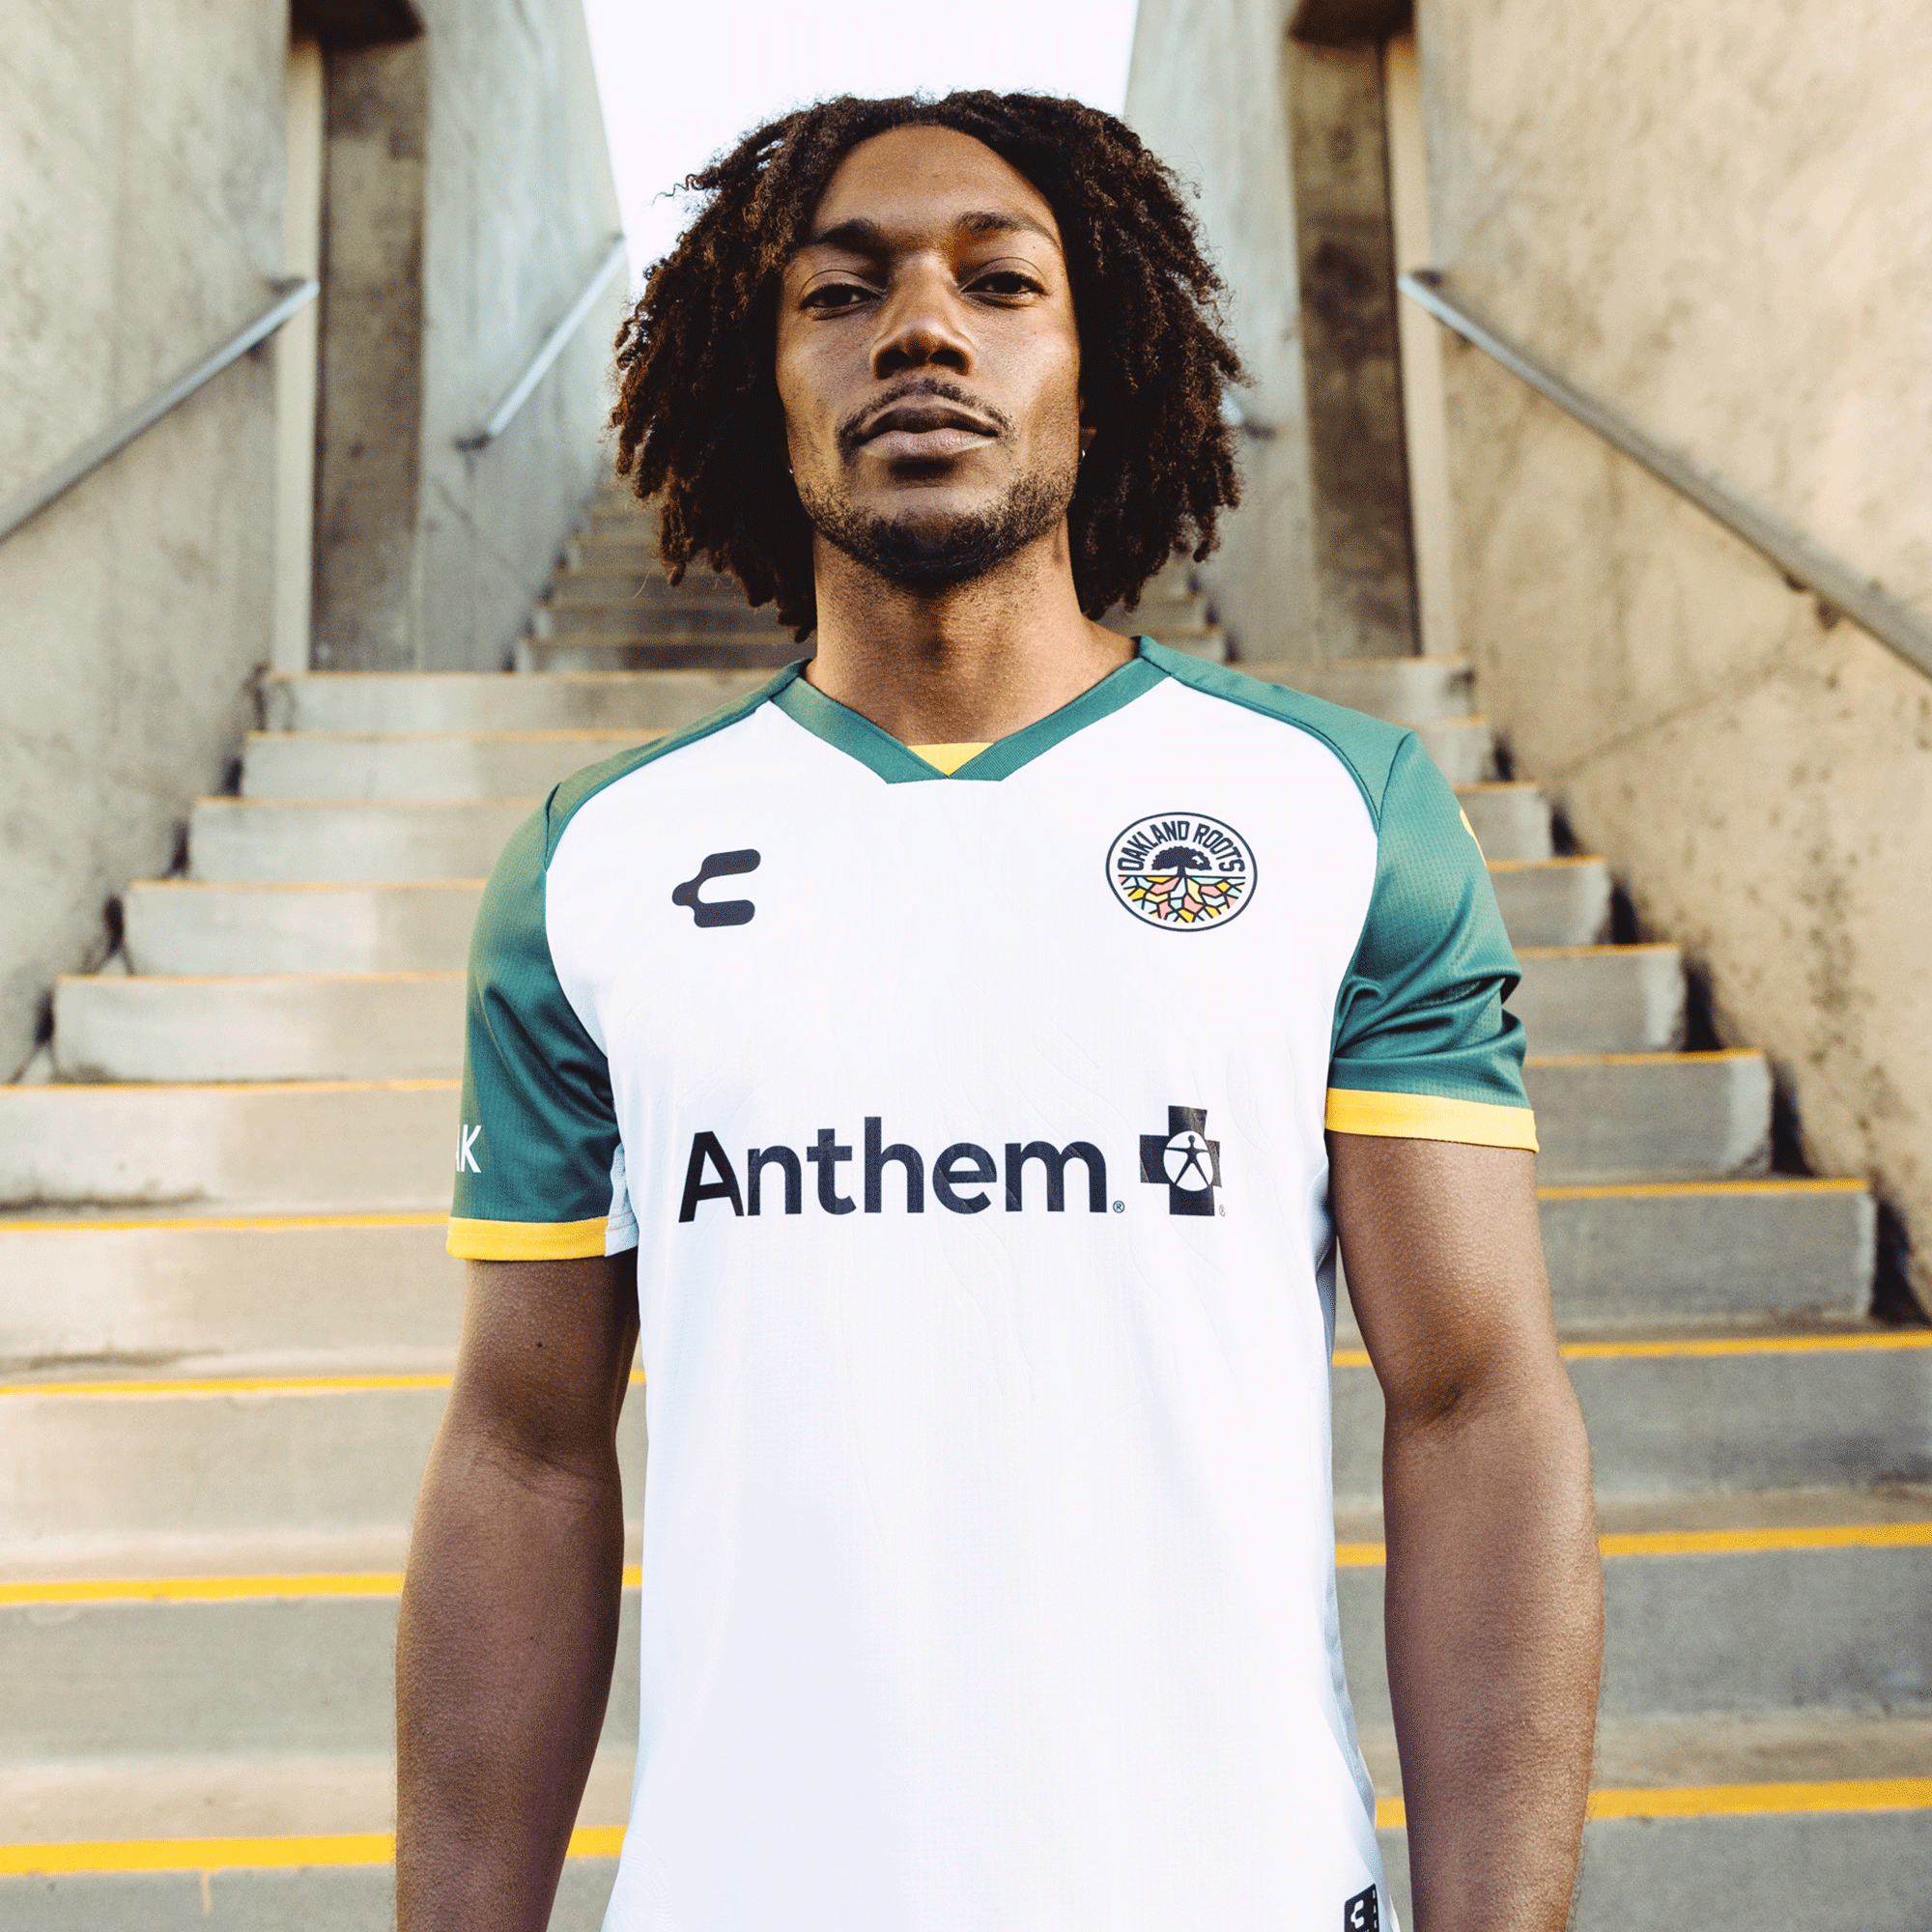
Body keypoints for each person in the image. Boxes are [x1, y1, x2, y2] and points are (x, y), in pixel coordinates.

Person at [397, 90, 1602, 1932]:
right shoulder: (597, 866)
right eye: (841, 290)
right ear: (761, 381)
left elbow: (1473, 1403)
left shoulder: (1339, 815)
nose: (924, 329)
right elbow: (523, 1448)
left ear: (1100, 370)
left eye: (1002, 280)